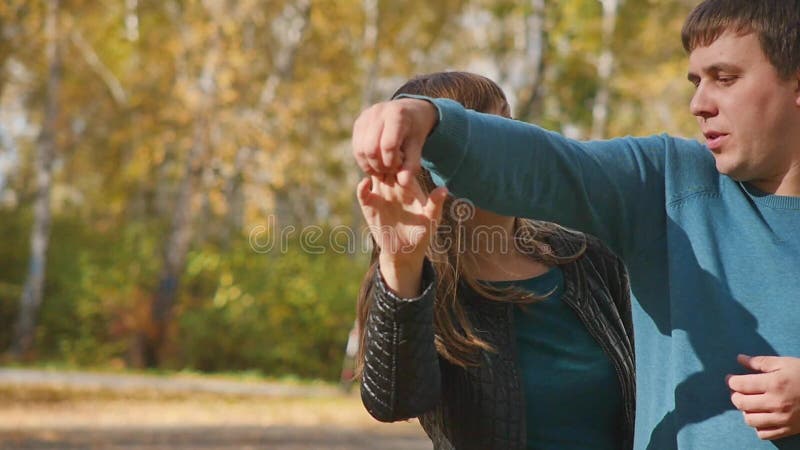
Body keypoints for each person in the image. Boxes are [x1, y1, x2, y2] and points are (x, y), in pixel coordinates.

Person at [351, 1, 800, 449]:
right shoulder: (663, 183)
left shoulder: (580, 257)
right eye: (696, 81)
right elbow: (393, 400)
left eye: (725, 78)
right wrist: (427, 118)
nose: (698, 104)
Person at [355, 71, 636, 450]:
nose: (516, 138)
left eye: (511, 120)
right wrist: (403, 265)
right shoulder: (410, 280)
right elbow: (392, 403)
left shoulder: (586, 256)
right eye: (494, 126)